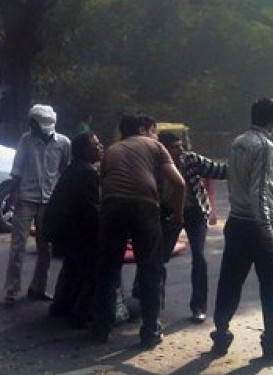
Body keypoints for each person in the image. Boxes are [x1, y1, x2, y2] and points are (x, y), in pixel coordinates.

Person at [91, 114, 185, 349]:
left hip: (112, 207)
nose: (155, 134)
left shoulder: (111, 150)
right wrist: (178, 215)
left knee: (108, 269)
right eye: (153, 130)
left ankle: (101, 327)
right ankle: (150, 330)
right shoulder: (154, 145)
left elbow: (104, 184)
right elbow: (179, 183)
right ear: (144, 130)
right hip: (144, 206)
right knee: (150, 269)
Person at [210, 98, 273, 361]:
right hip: (257, 224)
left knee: (230, 281)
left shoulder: (238, 141)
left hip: (236, 221)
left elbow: (237, 180)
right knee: (270, 285)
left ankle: (220, 332)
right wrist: (266, 227)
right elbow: (258, 191)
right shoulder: (266, 145)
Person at [3, 104, 71, 305]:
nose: (31, 126)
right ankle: (11, 291)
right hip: (26, 198)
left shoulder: (63, 143)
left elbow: (65, 171)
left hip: (49, 201)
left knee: (46, 247)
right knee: (18, 246)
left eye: (34, 123)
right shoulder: (26, 140)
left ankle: (38, 287)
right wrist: (11, 196)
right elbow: (17, 170)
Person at [157, 132, 227, 323]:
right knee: (158, 259)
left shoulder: (191, 159)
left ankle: (198, 307)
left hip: (195, 211)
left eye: (181, 146)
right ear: (163, 149)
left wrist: (240, 166)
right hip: (169, 214)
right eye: (174, 147)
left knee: (199, 256)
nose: (180, 150)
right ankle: (154, 307)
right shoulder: (155, 165)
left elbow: (219, 170)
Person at [42, 131, 103, 327]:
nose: (101, 147)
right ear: (86, 150)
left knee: (71, 267)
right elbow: (91, 210)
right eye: (96, 144)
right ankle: (81, 314)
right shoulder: (89, 172)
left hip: (59, 230)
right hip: (74, 232)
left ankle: (60, 306)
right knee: (92, 271)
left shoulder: (74, 168)